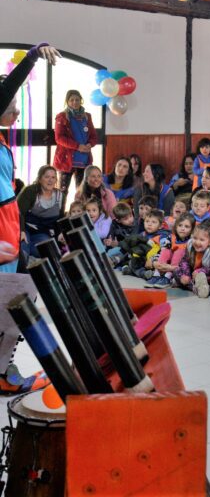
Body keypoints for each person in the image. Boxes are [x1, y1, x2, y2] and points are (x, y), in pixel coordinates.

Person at [1, 44, 60, 395]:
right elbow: (7, 88)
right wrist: (33, 56)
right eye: (12, 109)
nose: (17, 114)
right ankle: (2, 369)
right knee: (12, 302)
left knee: (17, 299)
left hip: (8, 226)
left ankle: (3, 365)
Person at [53, 89, 97, 194]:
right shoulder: (62, 116)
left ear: (81, 101)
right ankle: (60, 211)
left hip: (84, 160)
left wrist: (90, 144)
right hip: (66, 160)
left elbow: (94, 136)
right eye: (71, 100)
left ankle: (80, 211)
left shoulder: (87, 116)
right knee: (62, 192)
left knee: (81, 192)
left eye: (77, 100)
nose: (74, 102)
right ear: (67, 102)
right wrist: (77, 146)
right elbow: (59, 138)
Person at [16, 165, 64, 259]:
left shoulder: (60, 195)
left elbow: (60, 218)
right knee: (23, 249)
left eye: (53, 177)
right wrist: (21, 231)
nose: (50, 180)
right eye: (47, 177)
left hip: (42, 232)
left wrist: (61, 233)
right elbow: (18, 212)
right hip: (24, 228)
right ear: (40, 179)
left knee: (48, 251)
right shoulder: (30, 191)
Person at [174, 221, 210, 297]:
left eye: (202, 240)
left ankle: (199, 287)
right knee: (176, 271)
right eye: (195, 238)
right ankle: (197, 287)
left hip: (209, 276)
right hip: (192, 275)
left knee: (209, 280)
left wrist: (200, 271)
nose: (197, 242)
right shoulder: (190, 245)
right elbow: (185, 261)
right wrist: (186, 275)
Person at [148, 213, 195, 288]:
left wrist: (170, 268)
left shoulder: (191, 242)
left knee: (179, 251)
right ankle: (157, 274)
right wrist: (156, 262)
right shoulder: (171, 237)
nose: (182, 228)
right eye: (180, 225)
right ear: (176, 227)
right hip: (166, 265)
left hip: (180, 269)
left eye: (186, 226)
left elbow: (189, 262)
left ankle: (168, 277)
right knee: (166, 249)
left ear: (192, 229)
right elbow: (162, 252)